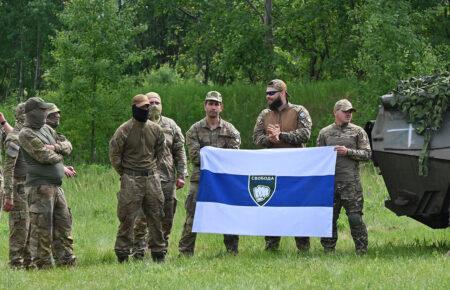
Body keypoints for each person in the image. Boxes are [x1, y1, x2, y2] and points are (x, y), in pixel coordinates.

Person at [178, 91, 241, 256]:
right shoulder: (194, 130)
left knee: (228, 212)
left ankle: (232, 251)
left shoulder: (231, 130)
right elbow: (195, 156)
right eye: (210, 103)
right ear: (205, 106)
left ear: (221, 107)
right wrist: (217, 157)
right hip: (201, 179)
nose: (213, 107)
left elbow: (233, 157)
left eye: (216, 104)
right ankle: (185, 252)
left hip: (224, 180)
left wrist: (211, 155)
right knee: (192, 214)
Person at [253, 79, 312, 252]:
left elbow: (305, 134)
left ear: (283, 93)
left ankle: (303, 248)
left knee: (297, 207)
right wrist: (269, 139)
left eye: (272, 93)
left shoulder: (299, 111)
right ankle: (271, 247)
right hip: (272, 169)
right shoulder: (264, 114)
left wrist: (282, 136)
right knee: (271, 205)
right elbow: (256, 138)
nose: (268, 96)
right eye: (267, 93)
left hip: (296, 170)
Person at [18, 97, 76, 269]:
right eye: (41, 110)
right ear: (31, 113)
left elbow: (68, 145)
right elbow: (44, 156)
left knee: (64, 223)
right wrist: (59, 155)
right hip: (39, 188)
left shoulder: (47, 130)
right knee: (42, 228)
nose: (45, 113)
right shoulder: (25, 133)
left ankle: (66, 261)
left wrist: (56, 148)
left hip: (56, 187)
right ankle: (43, 265)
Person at [109, 94, 167, 263]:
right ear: (134, 108)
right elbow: (115, 156)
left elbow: (160, 152)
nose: (146, 110)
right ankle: (122, 253)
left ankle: (158, 252)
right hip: (131, 179)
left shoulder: (156, 129)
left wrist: (151, 169)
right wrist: (126, 173)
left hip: (152, 178)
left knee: (156, 215)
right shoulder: (124, 130)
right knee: (127, 217)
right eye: (142, 107)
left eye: (148, 106)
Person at [132, 92, 187, 258]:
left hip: (167, 179)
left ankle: (160, 248)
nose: (154, 105)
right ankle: (138, 251)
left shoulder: (170, 125)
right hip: (143, 179)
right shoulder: (136, 124)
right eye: (151, 102)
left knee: (166, 216)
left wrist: (182, 174)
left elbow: (179, 150)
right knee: (141, 217)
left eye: (158, 102)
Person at [317, 99, 371, 255]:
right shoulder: (324, 133)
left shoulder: (358, 131)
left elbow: (367, 154)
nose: (348, 114)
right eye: (345, 111)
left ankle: (361, 250)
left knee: (355, 218)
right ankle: (328, 250)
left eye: (350, 112)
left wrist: (348, 152)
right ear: (336, 112)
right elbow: (318, 158)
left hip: (351, 183)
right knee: (329, 218)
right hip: (330, 184)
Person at [3, 103, 31, 268]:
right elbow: (8, 169)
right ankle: (16, 263)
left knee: (30, 225)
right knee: (20, 225)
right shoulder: (14, 138)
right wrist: (8, 196)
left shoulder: (26, 135)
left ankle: (28, 261)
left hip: (29, 186)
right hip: (18, 187)